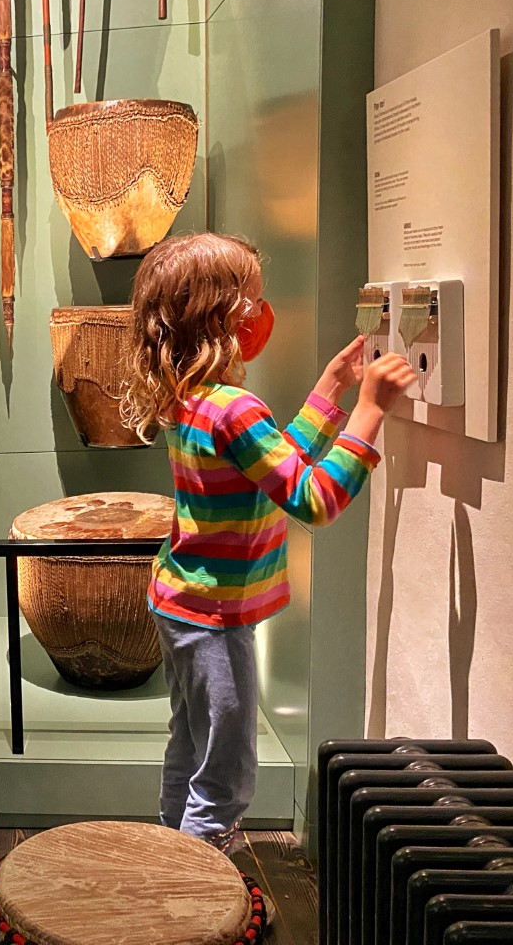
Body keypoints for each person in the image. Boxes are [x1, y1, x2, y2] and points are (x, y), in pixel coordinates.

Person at [121, 233, 415, 858]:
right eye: (253, 300)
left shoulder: (194, 398)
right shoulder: (233, 408)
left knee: (191, 745)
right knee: (227, 773)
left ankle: (173, 859)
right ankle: (196, 883)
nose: (263, 313)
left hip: (179, 603)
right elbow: (312, 500)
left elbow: (274, 468)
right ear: (221, 317)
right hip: (214, 617)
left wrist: (329, 391)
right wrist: (371, 409)